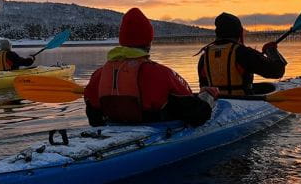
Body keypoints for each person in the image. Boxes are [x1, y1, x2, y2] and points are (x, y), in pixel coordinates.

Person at [84, 8, 216, 127]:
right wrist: (208, 96)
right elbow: (198, 114)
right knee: (203, 101)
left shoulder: (98, 75)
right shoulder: (161, 74)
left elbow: (94, 119)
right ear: (148, 43)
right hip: (154, 130)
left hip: (112, 129)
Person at [197, 12, 286, 96]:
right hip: (243, 102)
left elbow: (203, 87)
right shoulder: (243, 53)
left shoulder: (204, 56)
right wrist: (271, 51)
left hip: (216, 103)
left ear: (217, 33)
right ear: (239, 32)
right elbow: (277, 71)